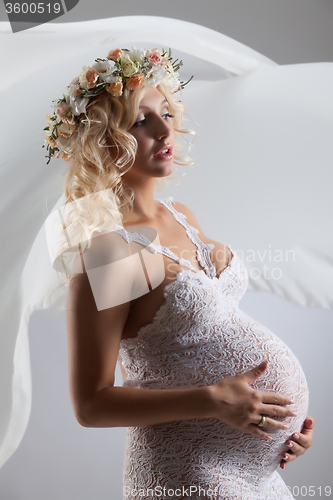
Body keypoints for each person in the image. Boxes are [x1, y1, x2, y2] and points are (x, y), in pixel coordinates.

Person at [45, 47, 314, 499]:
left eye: (165, 112)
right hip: (189, 473)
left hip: (259, 471)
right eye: (139, 121)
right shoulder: (109, 251)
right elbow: (90, 404)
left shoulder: (180, 213)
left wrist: (275, 425)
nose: (165, 129)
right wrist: (213, 400)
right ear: (101, 140)